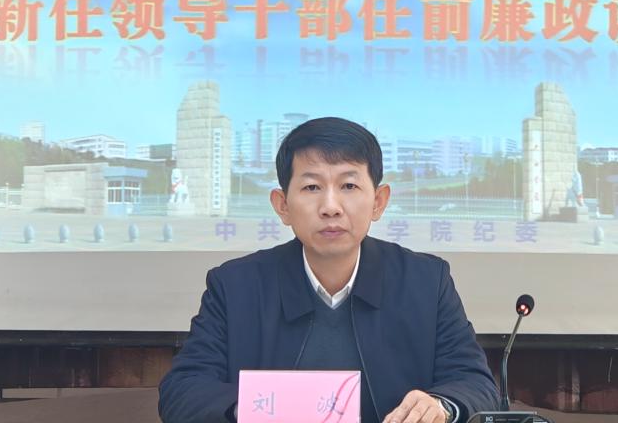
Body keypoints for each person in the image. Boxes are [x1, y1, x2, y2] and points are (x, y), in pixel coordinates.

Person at [159, 117, 499, 423]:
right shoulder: (235, 286)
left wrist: (441, 406)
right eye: (312, 187)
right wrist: (257, 409)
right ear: (282, 205)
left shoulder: (426, 282)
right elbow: (182, 391)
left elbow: (475, 384)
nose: (330, 207)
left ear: (378, 201)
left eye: (349, 186)